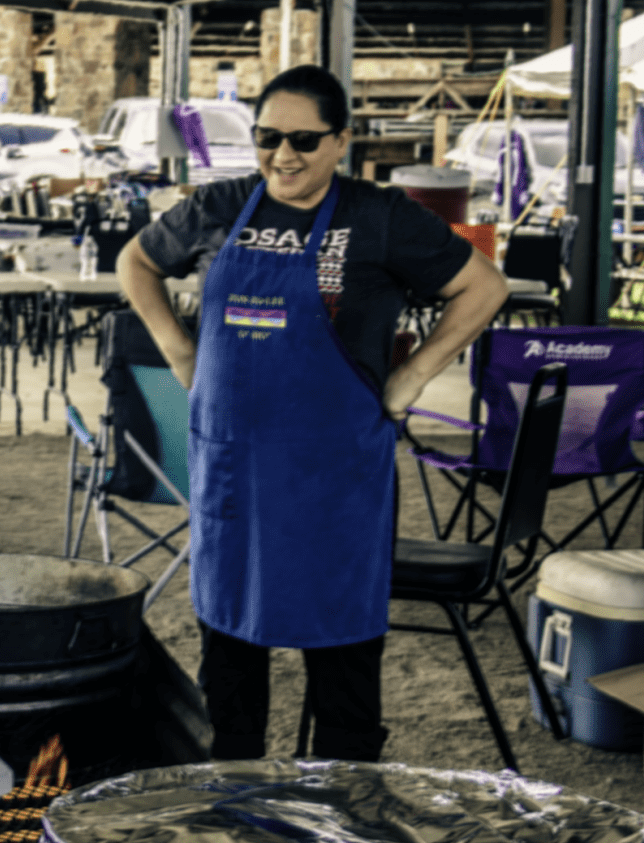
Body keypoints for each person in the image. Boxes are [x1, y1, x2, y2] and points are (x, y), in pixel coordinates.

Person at [116, 65, 509, 761]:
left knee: (344, 661)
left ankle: (344, 807)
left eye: (304, 139)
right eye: (269, 137)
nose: (283, 156)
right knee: (231, 653)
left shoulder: (380, 216)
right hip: (235, 474)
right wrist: (179, 351)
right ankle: (233, 802)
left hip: (335, 480)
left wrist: (414, 373)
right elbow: (136, 262)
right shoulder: (222, 205)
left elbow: (482, 285)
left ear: (341, 143)